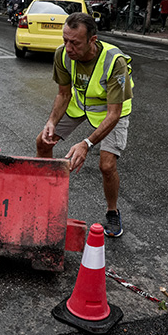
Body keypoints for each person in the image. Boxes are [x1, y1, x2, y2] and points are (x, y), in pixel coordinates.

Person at [36, 12, 133, 238]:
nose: (69, 48)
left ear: (92, 40)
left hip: (112, 113)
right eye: (65, 40)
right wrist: (51, 121)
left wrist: (86, 143)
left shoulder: (114, 61)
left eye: (75, 43)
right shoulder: (62, 55)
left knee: (107, 166)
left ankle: (112, 212)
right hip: (81, 105)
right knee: (43, 141)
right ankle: (44, 197)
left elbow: (114, 113)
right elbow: (63, 93)